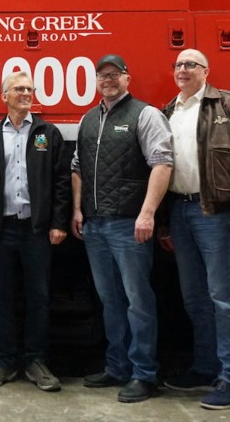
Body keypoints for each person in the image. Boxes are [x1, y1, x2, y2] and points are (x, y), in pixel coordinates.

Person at [160, 48, 230, 410]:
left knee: (223, 297)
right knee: (195, 298)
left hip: (216, 213)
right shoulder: (168, 111)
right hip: (180, 212)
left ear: (206, 70)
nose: (183, 70)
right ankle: (206, 367)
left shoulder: (229, 106)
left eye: (191, 64)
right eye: (178, 65)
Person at [70, 55, 174, 404]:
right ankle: (117, 366)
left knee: (137, 300)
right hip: (96, 226)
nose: (108, 80)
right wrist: (77, 210)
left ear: (127, 78)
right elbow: (77, 167)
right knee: (110, 300)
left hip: (129, 225)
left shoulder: (145, 115)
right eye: (102, 76)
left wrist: (148, 214)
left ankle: (145, 373)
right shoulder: (87, 119)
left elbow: (162, 163)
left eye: (114, 75)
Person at [0, 72, 71, 392]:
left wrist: (58, 223)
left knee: (39, 297)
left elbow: (61, 183)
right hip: (0, 230)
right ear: (4, 95)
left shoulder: (47, 133)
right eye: (19, 89)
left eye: (29, 89)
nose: (26, 93)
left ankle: (36, 361)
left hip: (36, 230)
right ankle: (3, 362)